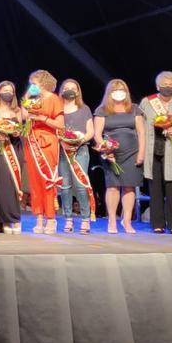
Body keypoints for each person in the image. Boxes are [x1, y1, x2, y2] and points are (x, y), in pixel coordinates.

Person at [93, 79, 145, 234]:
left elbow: (141, 133)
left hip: (132, 152)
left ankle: (127, 221)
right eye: (115, 90)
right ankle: (112, 220)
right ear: (109, 93)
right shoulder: (102, 110)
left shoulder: (134, 109)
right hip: (111, 154)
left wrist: (141, 153)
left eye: (121, 89)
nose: (118, 92)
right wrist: (106, 149)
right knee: (112, 187)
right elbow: (97, 134)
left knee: (129, 187)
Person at [139, 71, 172, 234]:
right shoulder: (147, 102)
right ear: (157, 86)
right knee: (155, 189)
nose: (167, 87)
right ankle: (157, 224)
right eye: (164, 84)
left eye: (170, 85)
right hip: (152, 148)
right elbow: (140, 125)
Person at [23, 70, 65, 234]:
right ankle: (39, 217)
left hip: (47, 141)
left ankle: (51, 218)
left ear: (43, 83)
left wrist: (42, 118)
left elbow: (60, 124)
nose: (31, 85)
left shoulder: (54, 99)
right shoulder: (33, 99)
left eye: (34, 83)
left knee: (47, 179)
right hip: (32, 141)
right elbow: (23, 116)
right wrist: (27, 97)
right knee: (34, 181)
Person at [0, 81, 26, 234]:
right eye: (5, 90)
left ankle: (16, 218)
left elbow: (20, 130)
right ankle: (5, 220)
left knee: (14, 185)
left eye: (10, 91)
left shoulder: (17, 111)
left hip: (14, 148)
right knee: (2, 185)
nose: (8, 93)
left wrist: (17, 132)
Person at [57, 79, 95, 234]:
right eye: (66, 88)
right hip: (62, 151)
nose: (69, 90)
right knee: (65, 186)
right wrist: (63, 143)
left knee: (80, 185)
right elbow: (55, 130)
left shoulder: (84, 109)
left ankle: (85, 219)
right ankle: (68, 218)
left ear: (78, 91)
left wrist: (80, 141)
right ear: (61, 90)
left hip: (81, 150)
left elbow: (90, 131)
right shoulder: (58, 109)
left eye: (73, 88)